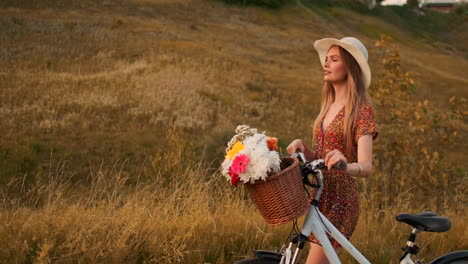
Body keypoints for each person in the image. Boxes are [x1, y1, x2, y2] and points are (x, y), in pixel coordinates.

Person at [286, 37, 378, 264]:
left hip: (341, 202)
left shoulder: (361, 110)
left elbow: (366, 167)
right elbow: (322, 158)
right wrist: (304, 150)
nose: (325, 64)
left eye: (334, 59)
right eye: (326, 59)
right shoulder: (327, 107)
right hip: (320, 197)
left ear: (350, 67)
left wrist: (345, 165)